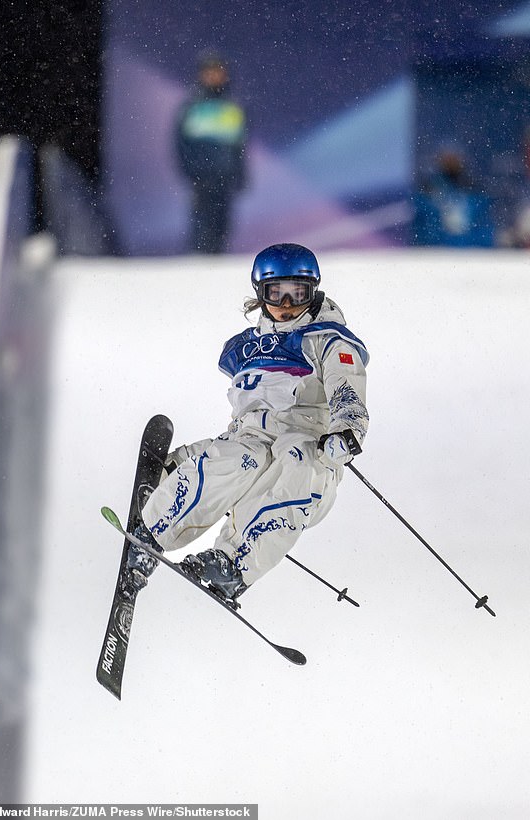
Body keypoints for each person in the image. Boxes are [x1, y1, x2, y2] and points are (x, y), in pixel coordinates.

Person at [128, 243, 370, 607]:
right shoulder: (246, 347)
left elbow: (347, 388)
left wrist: (346, 431)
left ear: (313, 290)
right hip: (252, 436)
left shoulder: (327, 340)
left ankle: (232, 564)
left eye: (298, 293)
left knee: (294, 458)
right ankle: (155, 529)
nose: (287, 305)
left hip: (310, 449)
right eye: (277, 293)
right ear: (260, 293)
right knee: (239, 458)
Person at [175, 51, 247, 253]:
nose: (214, 76)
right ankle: (201, 260)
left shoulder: (232, 107)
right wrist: (191, 170)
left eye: (218, 71)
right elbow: (180, 144)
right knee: (202, 222)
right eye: (210, 72)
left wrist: (241, 174)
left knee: (222, 223)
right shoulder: (192, 107)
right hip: (202, 176)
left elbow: (239, 146)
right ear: (201, 75)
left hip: (225, 176)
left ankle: (216, 259)